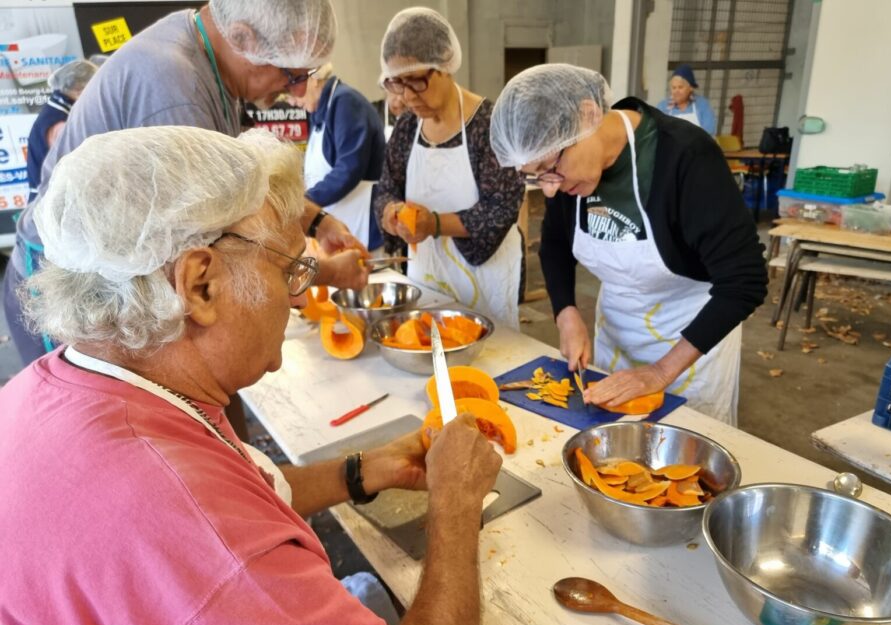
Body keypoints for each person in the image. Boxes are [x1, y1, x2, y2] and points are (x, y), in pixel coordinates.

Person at [0, 125, 503, 625]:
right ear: (199, 285)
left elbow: (235, 490)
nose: (296, 298)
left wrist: (358, 471)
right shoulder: (196, 533)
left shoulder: (64, 384)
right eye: (289, 269)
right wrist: (455, 508)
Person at [3, 0, 366, 366]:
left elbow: (249, 180)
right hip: (72, 295)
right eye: (292, 75)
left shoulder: (202, 53)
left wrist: (318, 222)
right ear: (243, 37)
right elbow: (229, 249)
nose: (298, 90)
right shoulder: (175, 90)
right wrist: (325, 274)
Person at [490, 64, 767, 424]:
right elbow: (555, 244)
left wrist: (660, 373)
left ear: (588, 115)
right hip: (617, 334)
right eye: (536, 177)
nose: (550, 189)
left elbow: (745, 282)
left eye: (550, 168)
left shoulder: (684, 156)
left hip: (689, 345)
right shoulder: (564, 174)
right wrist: (567, 314)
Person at [373, 7, 524, 329]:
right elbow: (386, 187)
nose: (408, 97)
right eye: (398, 84)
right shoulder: (407, 128)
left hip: (486, 278)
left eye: (417, 81)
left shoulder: (490, 125)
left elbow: (500, 210)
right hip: (428, 273)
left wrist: (434, 224)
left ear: (445, 64)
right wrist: (391, 213)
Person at [299, 63, 386, 252]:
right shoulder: (319, 111)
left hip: (362, 228)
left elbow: (348, 170)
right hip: (338, 230)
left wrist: (303, 202)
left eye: (293, 89)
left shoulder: (346, 103)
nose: (291, 101)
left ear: (313, 79)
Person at [25, 58, 97, 201]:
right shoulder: (59, 123)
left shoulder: (54, 109)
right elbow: (75, 168)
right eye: (93, 88)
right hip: (48, 201)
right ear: (79, 90)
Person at [656, 64, 716, 136]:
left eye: (680, 87)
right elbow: (656, 132)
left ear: (691, 88)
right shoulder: (663, 106)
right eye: (673, 88)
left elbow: (709, 132)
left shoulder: (702, 105)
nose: (676, 91)